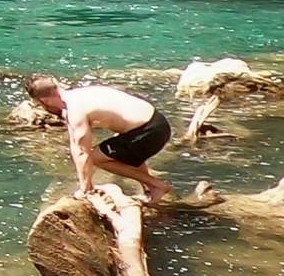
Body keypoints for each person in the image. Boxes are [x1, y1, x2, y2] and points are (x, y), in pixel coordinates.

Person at [24, 75, 175, 203]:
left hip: (148, 132)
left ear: (45, 101)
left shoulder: (75, 110)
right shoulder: (80, 94)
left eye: (39, 104)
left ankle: (156, 185)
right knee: (121, 148)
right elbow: (75, 143)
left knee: (97, 157)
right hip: (158, 122)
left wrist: (85, 188)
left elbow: (82, 152)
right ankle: (149, 189)